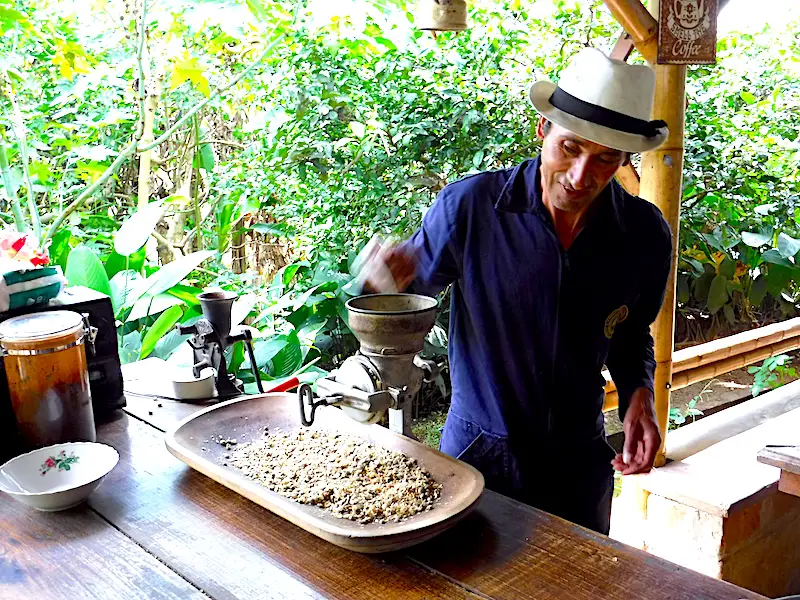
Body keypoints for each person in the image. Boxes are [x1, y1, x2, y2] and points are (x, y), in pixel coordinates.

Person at [361, 48, 673, 535]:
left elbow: (631, 335)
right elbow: (406, 303)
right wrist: (383, 280)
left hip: (578, 461)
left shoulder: (642, 235)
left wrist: (639, 394)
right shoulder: (472, 207)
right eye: (570, 148)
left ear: (623, 159)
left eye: (605, 160)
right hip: (476, 454)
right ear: (543, 131)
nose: (580, 177)